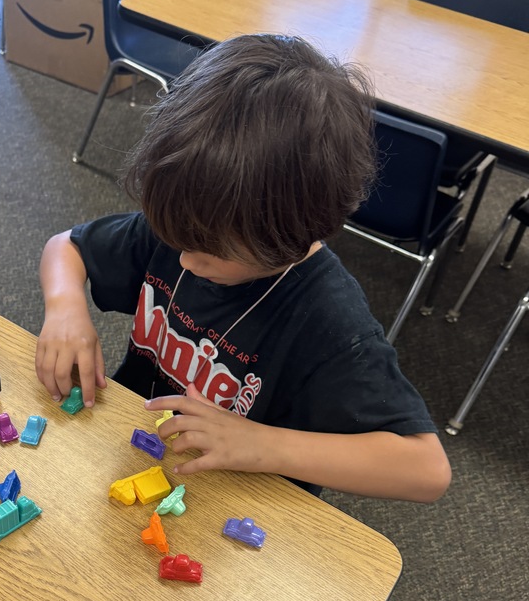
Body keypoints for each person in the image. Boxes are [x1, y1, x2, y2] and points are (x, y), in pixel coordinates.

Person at [35, 34, 451, 503]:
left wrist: (260, 444)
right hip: (141, 454)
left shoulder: (328, 318)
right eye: (177, 241)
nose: (187, 261)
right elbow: (64, 247)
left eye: (211, 252)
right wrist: (65, 307)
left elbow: (426, 469)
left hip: (240, 509)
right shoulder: (192, 225)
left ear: (293, 234)